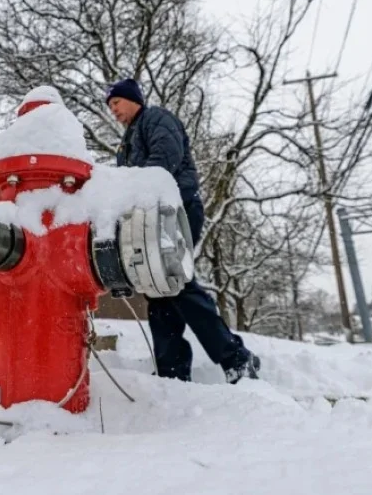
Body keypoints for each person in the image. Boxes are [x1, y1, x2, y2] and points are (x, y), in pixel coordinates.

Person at [106, 78, 261, 384]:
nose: (113, 111)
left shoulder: (156, 119)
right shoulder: (127, 141)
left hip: (177, 210)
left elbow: (163, 162)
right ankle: (172, 372)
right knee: (160, 291)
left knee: (176, 279)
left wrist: (135, 192)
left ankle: (237, 359)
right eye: (110, 106)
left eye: (116, 103)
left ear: (133, 99)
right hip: (152, 216)